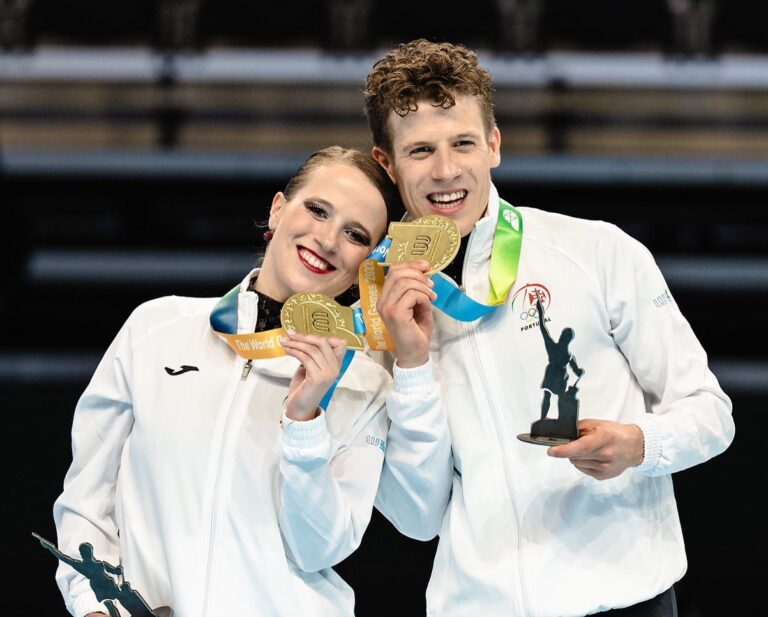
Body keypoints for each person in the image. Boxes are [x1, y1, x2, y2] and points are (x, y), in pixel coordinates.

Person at [366, 40, 735, 617]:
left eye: (462, 142)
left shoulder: (596, 250)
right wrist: (410, 365)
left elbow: (710, 412)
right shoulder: (378, 306)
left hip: (626, 599)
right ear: (387, 163)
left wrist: (640, 445)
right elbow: (416, 519)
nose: (445, 170)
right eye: (419, 150)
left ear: (494, 143)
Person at [52, 146, 437, 617]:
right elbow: (87, 501)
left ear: (366, 263)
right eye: (317, 210)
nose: (328, 239)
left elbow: (319, 549)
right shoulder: (156, 327)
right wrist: (96, 605)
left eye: (354, 234)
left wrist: (305, 421)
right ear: (278, 208)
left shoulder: (363, 385)